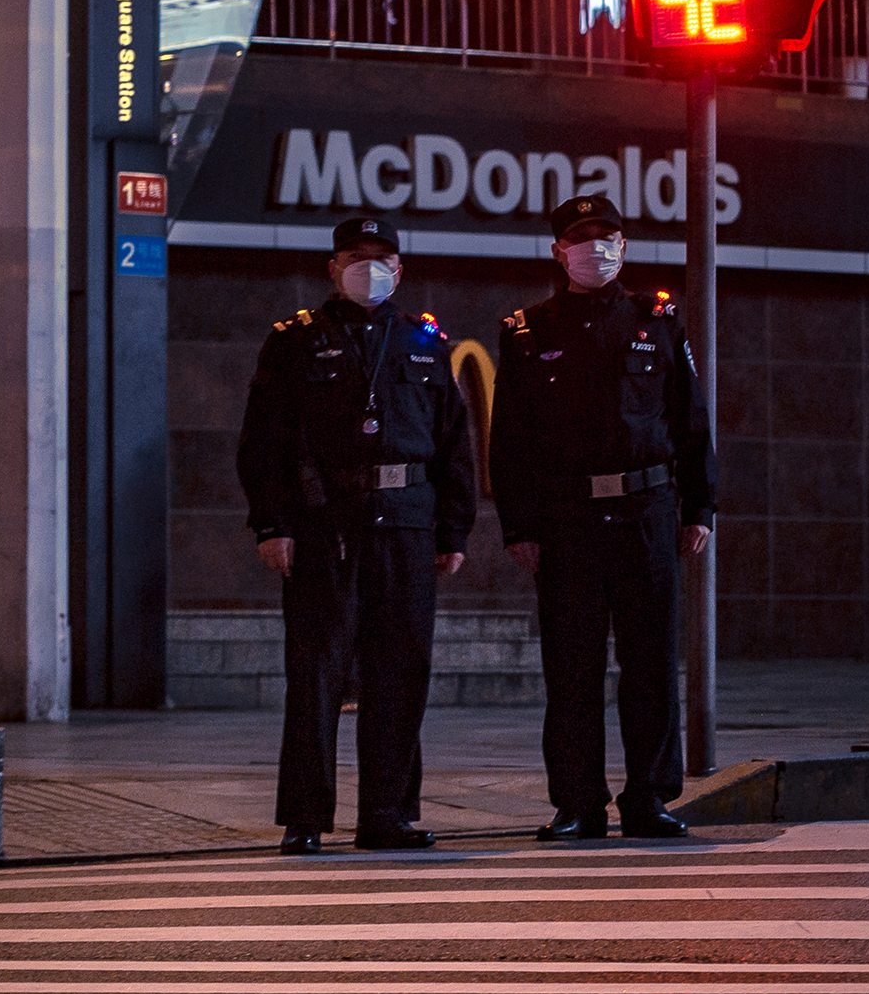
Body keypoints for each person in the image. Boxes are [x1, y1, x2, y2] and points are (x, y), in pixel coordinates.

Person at [236, 215, 476, 855]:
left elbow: (455, 445)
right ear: (332, 267)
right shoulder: (295, 341)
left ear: (400, 269)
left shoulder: (426, 344)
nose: (367, 267)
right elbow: (263, 444)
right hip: (324, 526)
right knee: (315, 674)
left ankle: (388, 815)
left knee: (400, 674)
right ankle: (305, 818)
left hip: (406, 525)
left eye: (381, 257)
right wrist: (273, 524)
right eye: (354, 256)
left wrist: (453, 529)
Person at [492, 194, 715, 841]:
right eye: (582, 238)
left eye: (608, 236)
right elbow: (511, 441)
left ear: (625, 245)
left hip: (647, 511)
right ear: (559, 251)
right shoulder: (528, 332)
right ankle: (578, 803)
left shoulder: (658, 322)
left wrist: (698, 506)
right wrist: (520, 526)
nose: (597, 248)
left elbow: (691, 423)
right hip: (567, 519)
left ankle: (648, 799)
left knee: (650, 664)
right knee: (572, 667)